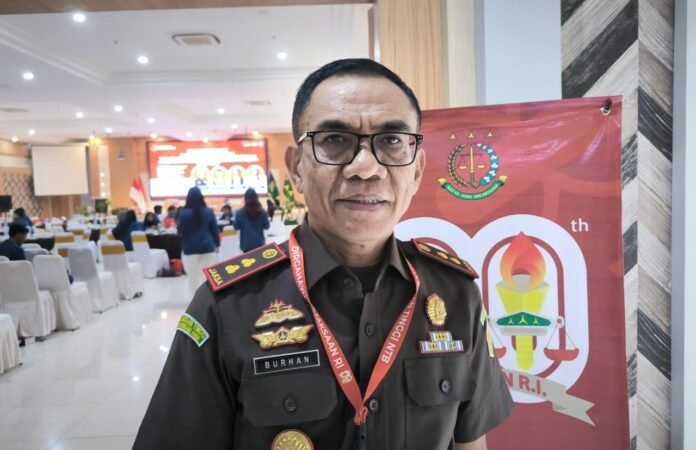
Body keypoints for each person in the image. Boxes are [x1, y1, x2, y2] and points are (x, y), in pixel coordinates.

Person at [134, 59, 513, 450]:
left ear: (417, 171)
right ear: (297, 168)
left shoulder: (454, 293)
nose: (365, 168)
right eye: (334, 139)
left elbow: (470, 442)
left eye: (391, 140)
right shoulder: (227, 306)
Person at [177, 187, 220, 297]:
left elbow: (180, 231)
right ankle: (210, 298)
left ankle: (194, 299)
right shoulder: (208, 211)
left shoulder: (183, 213)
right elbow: (214, 230)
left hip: (190, 247)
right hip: (208, 246)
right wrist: (217, 244)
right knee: (208, 276)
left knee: (193, 276)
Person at [233, 188, 270, 252]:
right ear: (256, 198)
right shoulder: (262, 212)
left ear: (245, 198)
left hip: (246, 245)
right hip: (259, 244)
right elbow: (267, 226)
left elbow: (236, 227)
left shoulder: (239, 213)